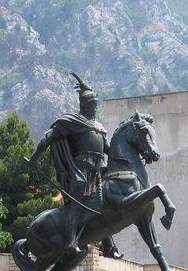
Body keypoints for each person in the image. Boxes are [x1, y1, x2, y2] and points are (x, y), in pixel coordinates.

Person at [28, 72, 123, 259]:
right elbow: (49, 136)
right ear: (84, 104)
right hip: (79, 171)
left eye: (96, 104)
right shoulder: (73, 121)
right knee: (76, 206)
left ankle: (109, 246)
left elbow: (108, 150)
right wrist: (35, 157)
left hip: (97, 172)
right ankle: (71, 242)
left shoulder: (99, 126)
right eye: (91, 104)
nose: (94, 107)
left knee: (103, 205)